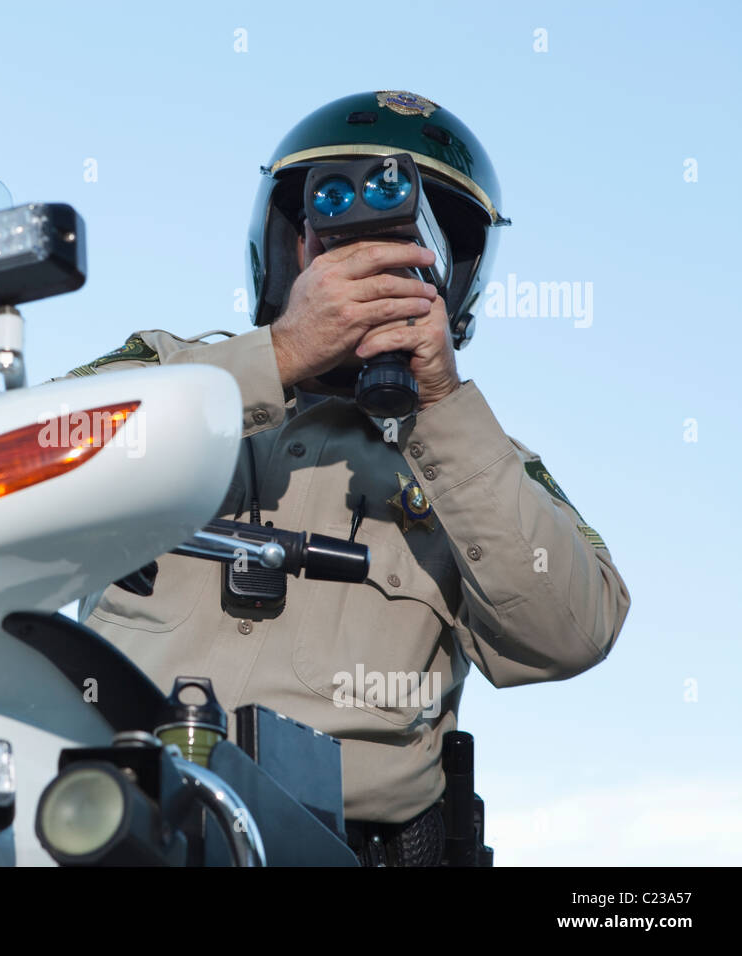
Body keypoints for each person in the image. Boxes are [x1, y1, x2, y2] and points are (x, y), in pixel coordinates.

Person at [63, 90, 631, 866]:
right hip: (105, 826)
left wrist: (436, 405)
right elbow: (21, 459)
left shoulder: (486, 458)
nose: (370, 268)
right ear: (291, 247)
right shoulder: (167, 371)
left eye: (405, 246)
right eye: (332, 235)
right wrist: (284, 355)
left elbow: (570, 632)